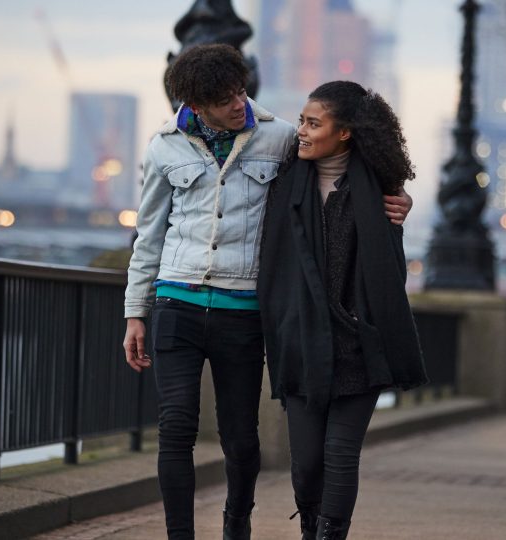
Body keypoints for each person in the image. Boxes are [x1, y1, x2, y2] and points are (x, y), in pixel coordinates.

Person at [121, 46, 412, 540]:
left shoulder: (278, 137)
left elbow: (348, 159)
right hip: (177, 298)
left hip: (243, 309)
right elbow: (149, 234)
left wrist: (401, 197)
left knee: (240, 438)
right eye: (224, 99)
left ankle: (237, 522)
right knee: (175, 427)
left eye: (240, 90)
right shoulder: (163, 147)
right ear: (195, 103)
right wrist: (135, 312)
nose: (238, 103)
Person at [258, 80, 428, 540]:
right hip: (301, 342)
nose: (303, 131)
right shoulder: (283, 183)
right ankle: (309, 524)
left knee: (340, 453)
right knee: (306, 461)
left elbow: (389, 271)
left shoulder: (381, 193)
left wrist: (402, 206)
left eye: (314, 123)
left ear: (346, 132)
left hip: (359, 345)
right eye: (301, 121)